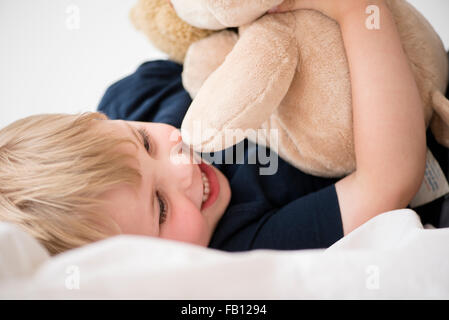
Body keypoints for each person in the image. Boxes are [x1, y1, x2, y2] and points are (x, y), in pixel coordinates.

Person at [0, 0, 445, 256]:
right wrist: (357, 11)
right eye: (159, 208)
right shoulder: (238, 244)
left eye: (146, 141)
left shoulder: (132, 99)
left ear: (107, 120)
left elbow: (208, 35)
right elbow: (389, 180)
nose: (181, 167)